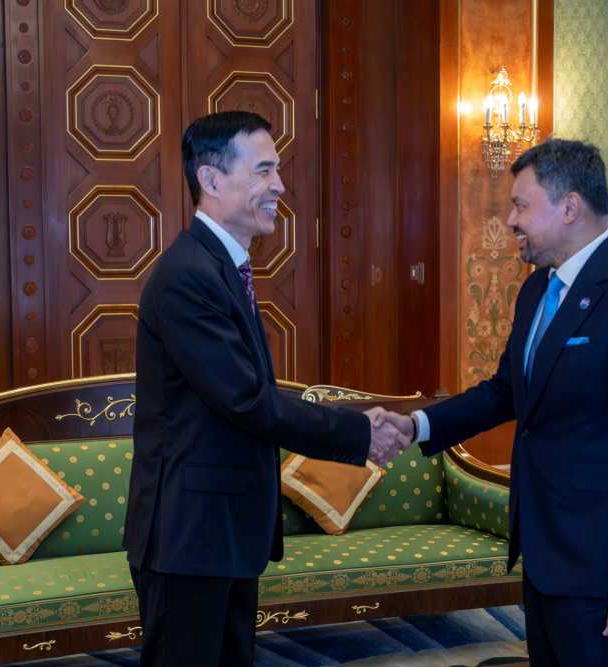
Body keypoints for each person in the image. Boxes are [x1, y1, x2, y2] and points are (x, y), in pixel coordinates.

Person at [378, 139, 608, 666]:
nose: (509, 219)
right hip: (544, 552)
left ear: (569, 207)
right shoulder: (536, 290)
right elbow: (507, 391)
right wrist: (417, 426)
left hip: (600, 565)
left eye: (521, 205)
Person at [123, 111, 408, 666]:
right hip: (189, 536)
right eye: (264, 171)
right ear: (211, 180)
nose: (279, 185)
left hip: (221, 532)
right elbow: (247, 400)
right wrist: (359, 432)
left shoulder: (222, 269)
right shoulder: (188, 275)